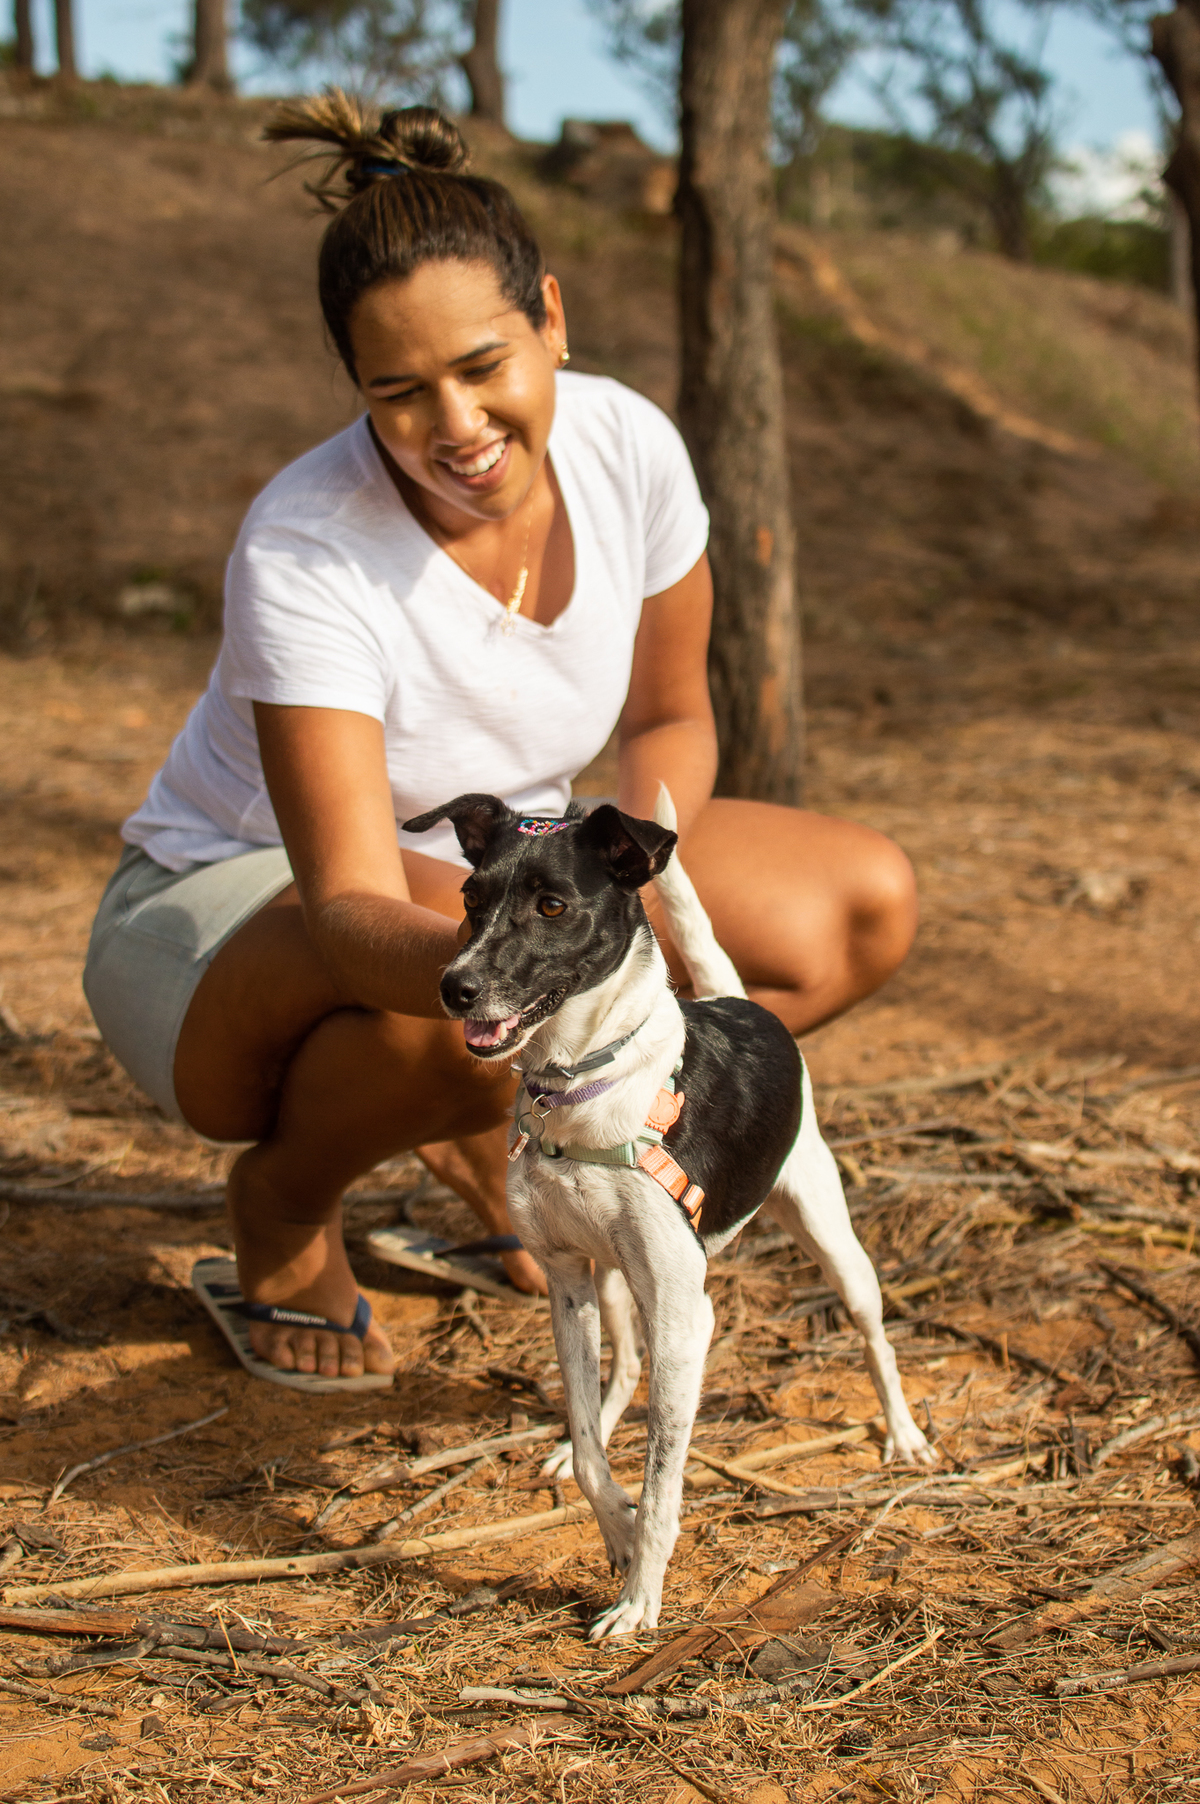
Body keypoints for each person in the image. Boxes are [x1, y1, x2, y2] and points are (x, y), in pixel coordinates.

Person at [83, 93, 918, 1391]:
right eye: (399, 393)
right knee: (494, 966)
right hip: (223, 918)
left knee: (856, 907)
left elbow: (669, 717)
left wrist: (642, 900)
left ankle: (503, 1141)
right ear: (356, 389)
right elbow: (350, 908)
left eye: (485, 366)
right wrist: (579, 978)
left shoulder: (629, 445)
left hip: (504, 872)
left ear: (553, 322)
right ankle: (287, 1201)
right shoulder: (308, 547)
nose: (457, 427)